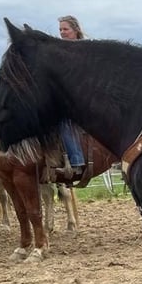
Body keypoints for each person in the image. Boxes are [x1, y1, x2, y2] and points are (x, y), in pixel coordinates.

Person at [57, 15, 86, 177]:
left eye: (65, 29)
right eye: (60, 29)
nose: (62, 32)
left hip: (79, 96)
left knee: (64, 121)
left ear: (75, 31)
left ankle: (77, 162)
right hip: (65, 94)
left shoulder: (82, 50)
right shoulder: (60, 50)